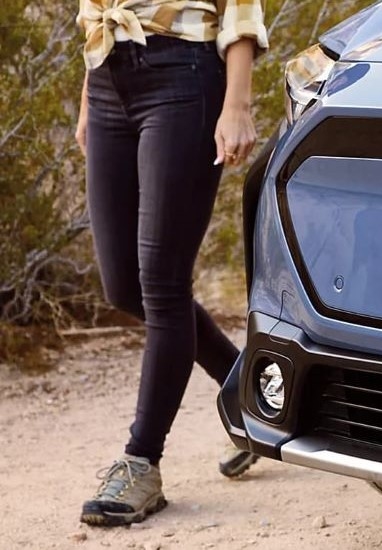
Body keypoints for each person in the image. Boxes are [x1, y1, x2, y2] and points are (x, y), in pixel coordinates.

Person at [74, 0, 269, 527]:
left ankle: (141, 463)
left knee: (161, 282)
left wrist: (238, 104)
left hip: (183, 78)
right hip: (108, 78)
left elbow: (241, 12)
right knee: (122, 287)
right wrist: (89, 100)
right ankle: (251, 391)